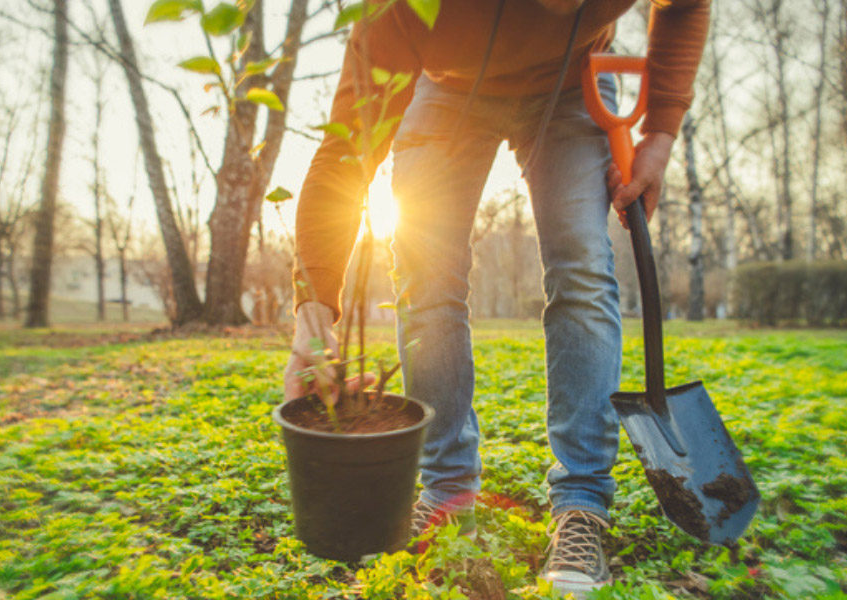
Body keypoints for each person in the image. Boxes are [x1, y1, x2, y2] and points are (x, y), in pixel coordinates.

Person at [283, 0, 709, 595]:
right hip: (445, 88)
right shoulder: (402, 10)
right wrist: (313, 310)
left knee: (583, 263)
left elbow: (686, 6)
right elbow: (345, 150)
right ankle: (449, 492)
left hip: (574, 81)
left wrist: (660, 133)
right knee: (426, 273)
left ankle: (582, 503)